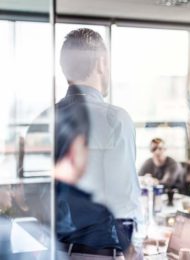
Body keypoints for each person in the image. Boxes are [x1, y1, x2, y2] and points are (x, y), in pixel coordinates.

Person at [59, 28, 143, 257]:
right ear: (101, 63)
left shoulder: (42, 120)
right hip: (99, 253)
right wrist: (137, 253)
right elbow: (124, 204)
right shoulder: (113, 119)